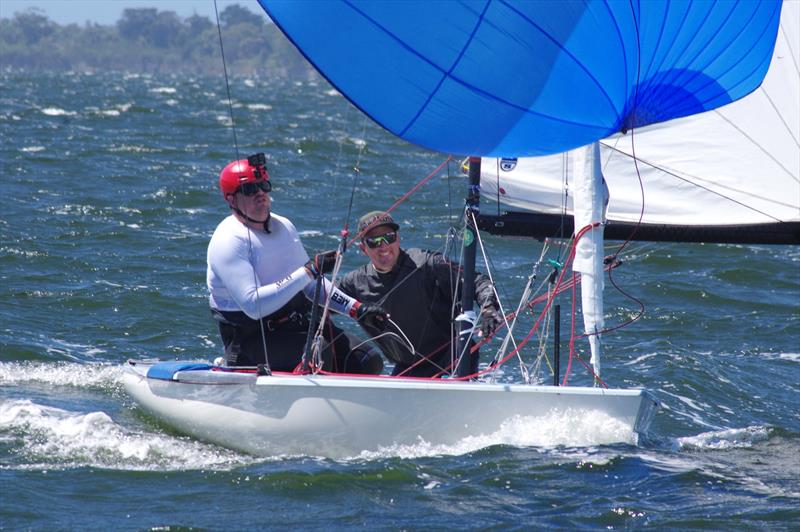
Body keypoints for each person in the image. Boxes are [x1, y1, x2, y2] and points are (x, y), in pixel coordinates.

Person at [206, 153, 387, 374]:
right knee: (320, 355)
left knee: (368, 360)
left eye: (264, 186)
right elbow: (254, 306)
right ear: (231, 200)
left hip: (295, 327)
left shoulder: (284, 227)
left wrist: (356, 309)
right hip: (252, 341)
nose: (260, 194)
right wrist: (308, 271)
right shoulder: (228, 240)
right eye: (250, 190)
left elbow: (311, 285)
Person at [337, 211, 503, 378]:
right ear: (363, 248)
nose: (383, 246)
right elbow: (322, 300)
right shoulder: (355, 283)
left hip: (451, 358)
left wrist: (488, 309)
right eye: (374, 242)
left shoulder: (427, 264)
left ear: (398, 238)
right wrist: (313, 271)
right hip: (409, 366)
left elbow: (476, 281)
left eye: (389, 237)